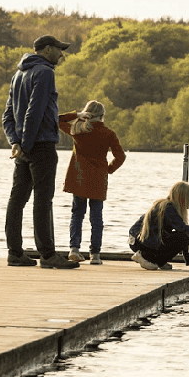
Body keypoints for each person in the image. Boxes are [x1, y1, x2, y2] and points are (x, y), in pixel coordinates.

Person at [2, 35, 79, 269]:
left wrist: (16, 143)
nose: (62, 54)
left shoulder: (18, 75)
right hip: (41, 144)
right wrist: (26, 144)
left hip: (23, 147)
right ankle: (47, 255)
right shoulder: (45, 73)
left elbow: (7, 116)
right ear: (47, 50)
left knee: (17, 200)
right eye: (59, 50)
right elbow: (33, 112)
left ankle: (15, 253)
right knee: (43, 201)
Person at [58, 100, 126, 265]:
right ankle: (95, 255)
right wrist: (108, 170)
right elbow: (121, 156)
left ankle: (74, 249)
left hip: (79, 178)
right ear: (102, 116)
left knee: (77, 214)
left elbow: (57, 120)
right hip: (98, 179)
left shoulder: (77, 129)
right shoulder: (108, 133)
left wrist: (76, 116)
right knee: (96, 218)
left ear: (86, 114)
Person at [128, 181, 189, 271]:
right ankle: (145, 256)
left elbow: (186, 235)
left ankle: (159, 261)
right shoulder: (167, 208)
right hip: (138, 241)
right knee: (186, 235)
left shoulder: (169, 207)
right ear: (182, 198)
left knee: (188, 235)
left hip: (144, 240)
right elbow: (184, 231)